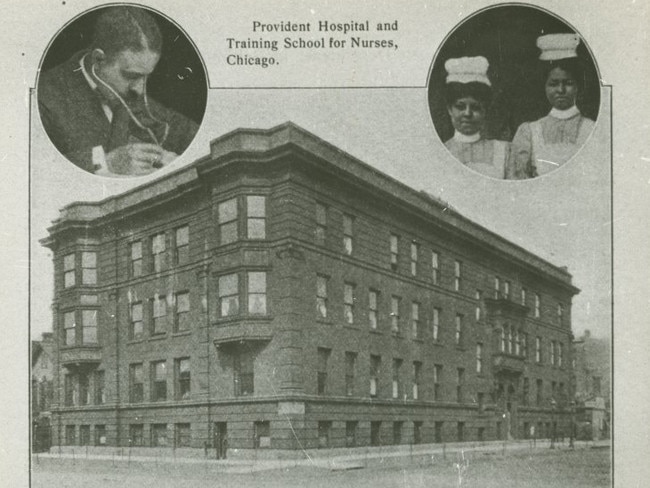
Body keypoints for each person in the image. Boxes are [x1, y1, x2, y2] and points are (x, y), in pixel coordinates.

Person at [38, 6, 199, 176]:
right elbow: (36, 164)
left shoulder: (135, 96)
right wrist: (105, 162)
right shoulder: (44, 96)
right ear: (98, 59)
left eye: (146, 77)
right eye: (131, 76)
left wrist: (180, 160)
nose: (140, 89)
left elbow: (192, 134)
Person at [509, 34, 596, 179]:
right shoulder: (529, 132)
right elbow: (519, 185)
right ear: (544, 86)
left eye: (568, 83)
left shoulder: (592, 129)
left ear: (578, 86)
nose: (560, 90)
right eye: (553, 84)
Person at [443, 56, 510, 179]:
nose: (467, 113)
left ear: (485, 111)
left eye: (475, 107)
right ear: (449, 109)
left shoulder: (503, 151)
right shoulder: (441, 151)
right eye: (460, 107)